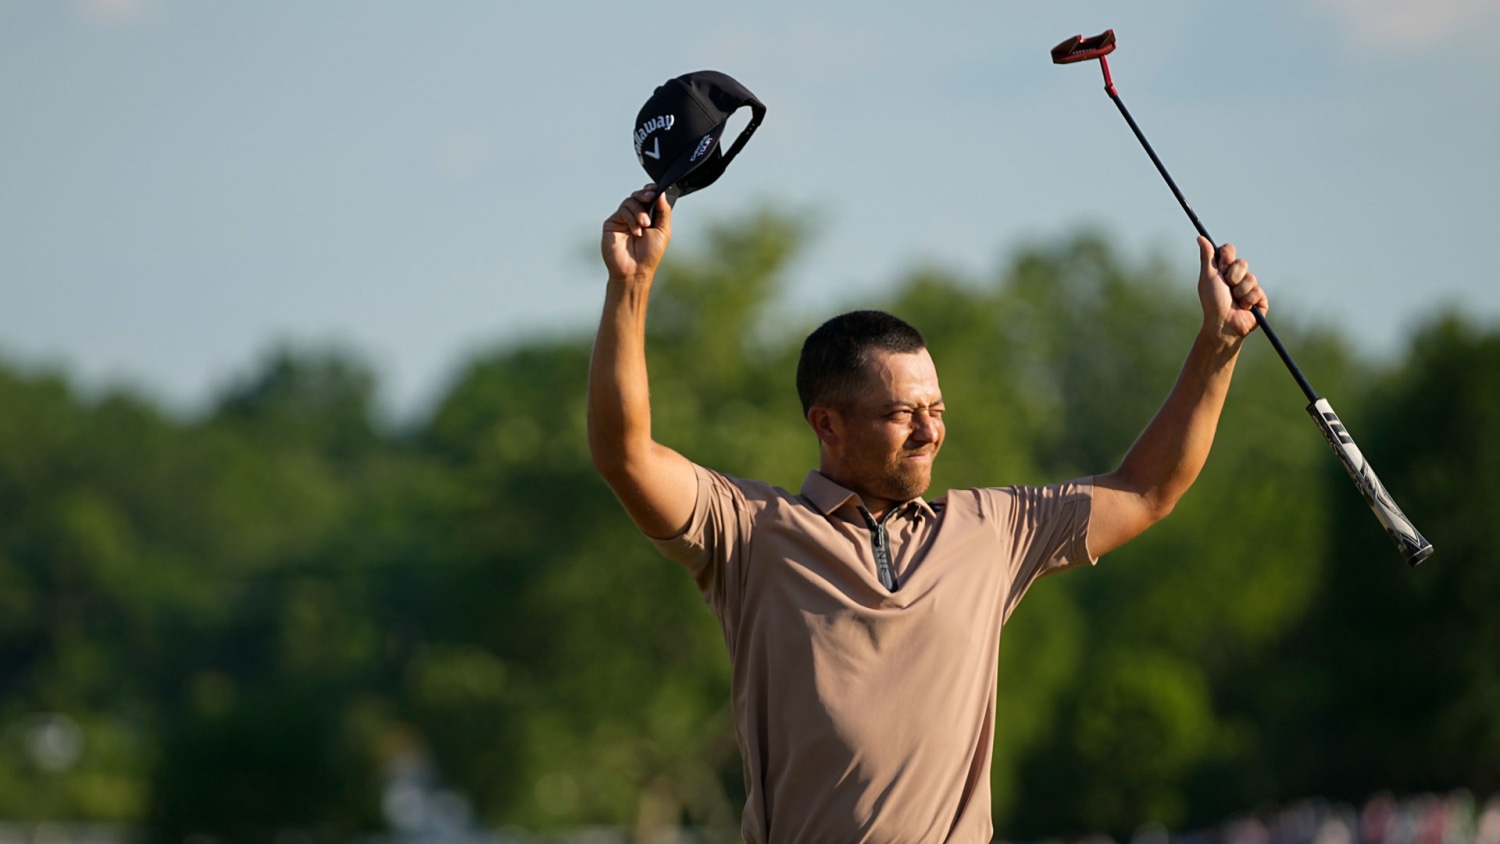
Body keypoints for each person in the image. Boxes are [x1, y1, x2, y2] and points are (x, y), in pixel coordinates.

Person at [587, 185, 1267, 843]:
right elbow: (625, 453)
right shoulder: (750, 531)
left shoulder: (993, 530)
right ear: (827, 423)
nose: (929, 431)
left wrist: (1218, 344)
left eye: (936, 410)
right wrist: (631, 285)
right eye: (900, 414)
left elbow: (1147, 489)